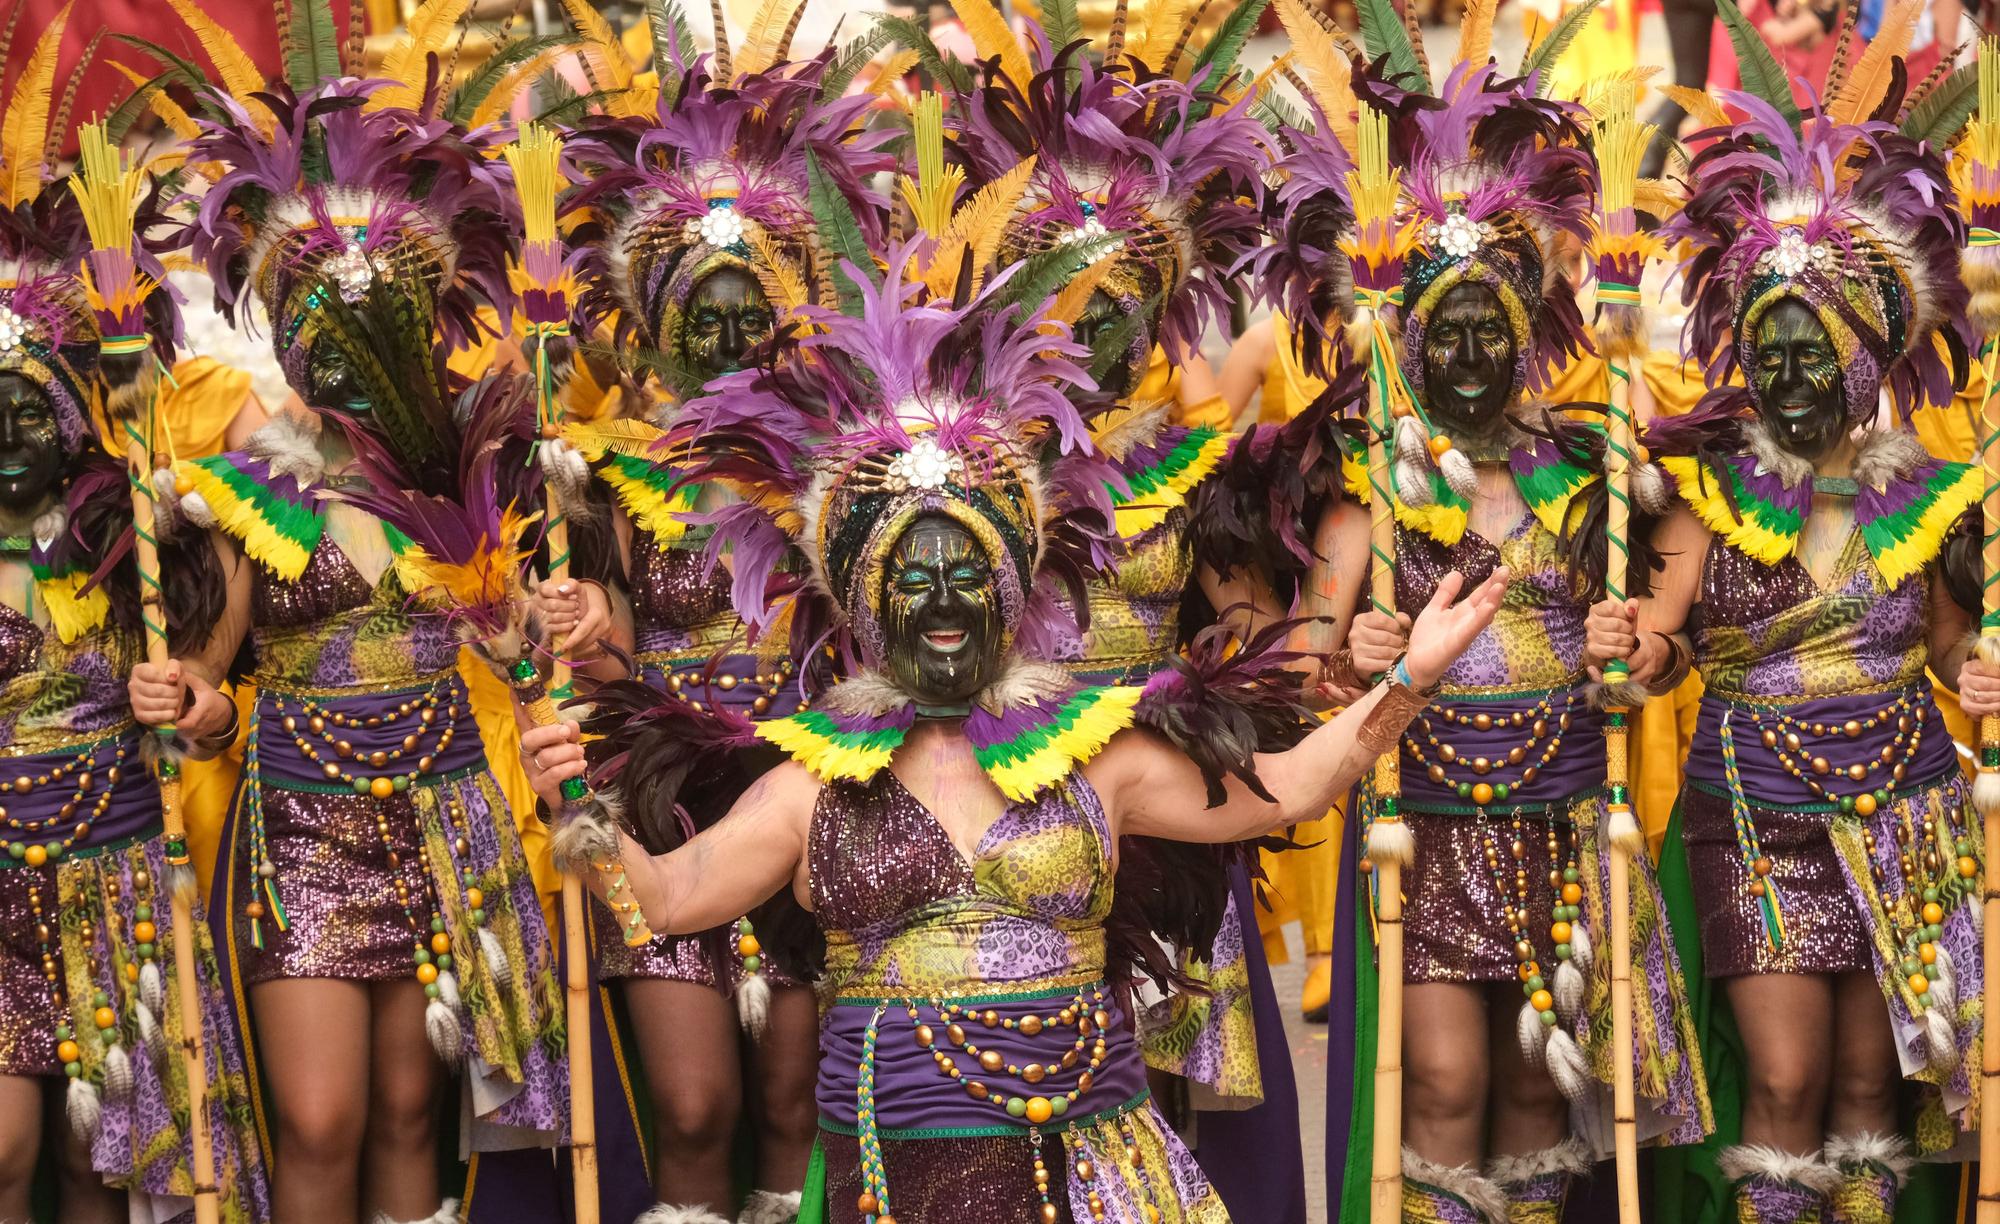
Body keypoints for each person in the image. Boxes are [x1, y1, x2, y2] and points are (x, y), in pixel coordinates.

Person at [517, 253, 1510, 1224]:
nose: (941, 596)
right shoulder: (811, 781)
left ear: (1011, 590)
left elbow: (1291, 787)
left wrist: (1408, 680)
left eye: (967, 569)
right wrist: (580, 813)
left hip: (1096, 1179)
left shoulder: (1097, 751)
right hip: (894, 1183)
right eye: (911, 572)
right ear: (863, 599)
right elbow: (672, 896)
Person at [1252, 30, 1714, 1216]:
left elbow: (1665, 650)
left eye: (1485, 329)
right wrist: (1345, 662)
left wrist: (1636, 652)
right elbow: (1305, 668)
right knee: (1443, 1088)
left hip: (1563, 821)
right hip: (1428, 827)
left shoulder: (1592, 474)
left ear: (1526, 339)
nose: (1463, 353)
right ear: (1403, 343)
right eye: (1440, 331)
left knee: (1533, 1099)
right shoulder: (1369, 492)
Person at [137, 32, 569, 1224]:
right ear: (283, 334)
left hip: (447, 813)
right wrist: (192, 703)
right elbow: (212, 688)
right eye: (317, 323)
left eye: (375, 324)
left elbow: (522, 655)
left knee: (409, 1114)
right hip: (304, 828)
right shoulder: (242, 493)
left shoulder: (470, 484)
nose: (348, 347)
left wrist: (532, 630)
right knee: (318, 1122)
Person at [1612, 31, 1982, 1222]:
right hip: (1753, 809)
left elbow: (1946, 650)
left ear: (1863, 359)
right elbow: (1658, 649)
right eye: (1761, 351)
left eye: (1804, 351)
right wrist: (1629, 653)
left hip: (1905, 808)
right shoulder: (1708, 490)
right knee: (1784, 1076)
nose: (1780, 375)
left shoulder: (1930, 496)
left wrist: (1979, 677)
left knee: (1875, 1084)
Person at [937, 15, 1304, 1188]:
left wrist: (1238, 668)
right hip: (1010, 799)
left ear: (1155, 314)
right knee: (1022, 1084)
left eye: (1119, 299)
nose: (1091, 322)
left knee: (1141, 1104)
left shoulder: (1194, 464)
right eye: (1068, 295)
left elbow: (1249, 624)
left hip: (1152, 796)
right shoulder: (961, 458)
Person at [551, 19, 895, 1222]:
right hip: (661, 795)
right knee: (694, 1105)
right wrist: (587, 619)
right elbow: (596, 654)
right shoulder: (598, 478)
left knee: (799, 1102)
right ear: (651, 321)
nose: (726, 334)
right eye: (699, 309)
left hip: (808, 792)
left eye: (748, 308)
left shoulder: (850, 464)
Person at [0, 47, 270, 1224]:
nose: (9, 439)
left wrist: (201, 705)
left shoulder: (150, 534)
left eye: (30, 413)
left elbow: (208, 702)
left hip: (123, 874)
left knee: (116, 1165)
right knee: (9, 1154)